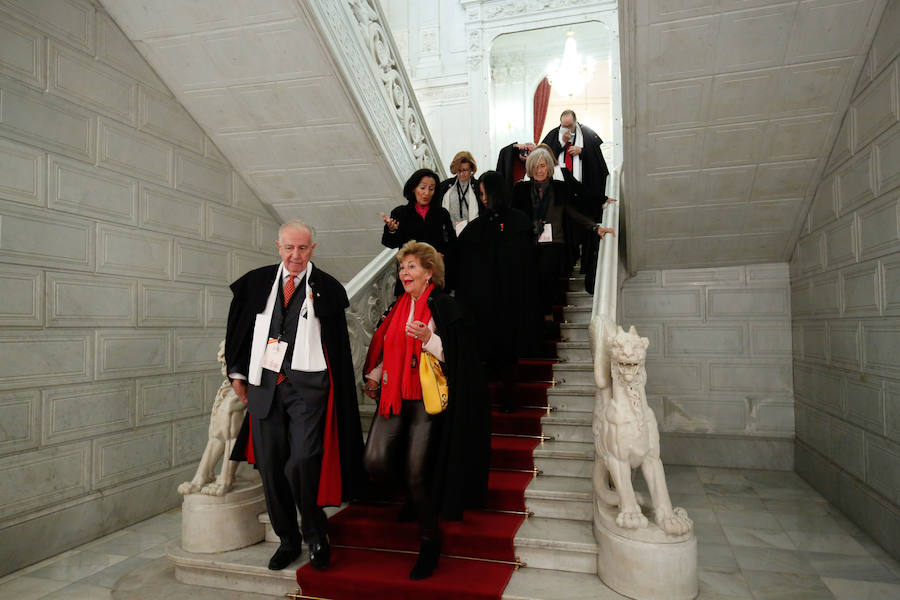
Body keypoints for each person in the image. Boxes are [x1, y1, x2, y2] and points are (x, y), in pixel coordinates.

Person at [225, 220, 363, 572]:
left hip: (309, 389)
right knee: (271, 467)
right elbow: (238, 328)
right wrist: (238, 373)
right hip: (265, 385)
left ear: (312, 248)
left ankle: (315, 533)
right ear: (278, 246)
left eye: (303, 248)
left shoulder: (328, 288)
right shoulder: (257, 282)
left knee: (303, 460)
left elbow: (338, 346)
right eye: (289, 247)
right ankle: (287, 539)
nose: (296, 255)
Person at [362, 241, 490, 580]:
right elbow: (388, 347)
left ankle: (429, 542)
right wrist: (375, 376)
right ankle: (412, 497)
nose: (405, 272)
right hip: (392, 394)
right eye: (402, 267)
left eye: (412, 267)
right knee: (375, 460)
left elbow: (461, 358)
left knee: (418, 471)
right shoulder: (396, 307)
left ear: (429, 272)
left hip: (426, 398)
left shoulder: (444, 306)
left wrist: (428, 340)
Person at [455, 171, 535, 411]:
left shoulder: (519, 221)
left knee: (508, 352)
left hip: (510, 302)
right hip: (485, 304)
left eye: (484, 193)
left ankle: (508, 398)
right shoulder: (476, 228)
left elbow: (526, 265)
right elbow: (463, 264)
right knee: (489, 349)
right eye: (480, 194)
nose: (482, 198)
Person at [511, 147, 613, 321]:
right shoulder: (521, 190)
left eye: (542, 166)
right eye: (535, 167)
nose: (539, 170)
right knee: (532, 279)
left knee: (546, 274)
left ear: (549, 167)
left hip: (554, 241)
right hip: (530, 242)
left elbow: (573, 212)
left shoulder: (559, 188)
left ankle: (548, 314)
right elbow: (515, 216)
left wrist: (594, 227)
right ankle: (538, 315)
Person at [541, 110, 612, 275]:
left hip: (583, 192)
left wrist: (583, 151)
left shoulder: (587, 134)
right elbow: (545, 155)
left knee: (586, 227)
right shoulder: (553, 135)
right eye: (563, 126)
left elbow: (598, 163)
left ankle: (587, 266)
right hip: (561, 193)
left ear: (576, 123)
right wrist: (561, 143)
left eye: (570, 126)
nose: (567, 130)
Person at [381, 169, 456, 294]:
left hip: (434, 275)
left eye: (431, 189)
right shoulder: (400, 213)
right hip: (409, 278)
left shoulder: (442, 214)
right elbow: (390, 243)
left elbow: (452, 243)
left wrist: (442, 254)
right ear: (413, 188)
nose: (426, 193)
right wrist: (391, 230)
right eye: (422, 188)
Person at [439, 151, 480, 235]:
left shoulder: (478, 187)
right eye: (459, 171)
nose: (462, 174)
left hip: (471, 233)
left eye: (465, 170)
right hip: (450, 233)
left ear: (471, 169)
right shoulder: (445, 186)